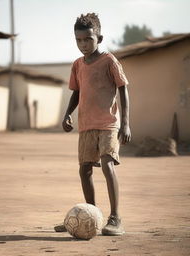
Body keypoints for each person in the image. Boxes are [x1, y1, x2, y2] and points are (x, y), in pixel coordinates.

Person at [55, 13, 131, 236]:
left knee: (107, 165)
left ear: (99, 37)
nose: (83, 44)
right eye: (78, 40)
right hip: (86, 125)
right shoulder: (77, 64)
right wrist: (67, 114)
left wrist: (126, 122)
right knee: (85, 169)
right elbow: (77, 93)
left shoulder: (109, 60)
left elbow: (123, 88)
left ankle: (116, 218)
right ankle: (92, 216)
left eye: (88, 39)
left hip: (109, 123)